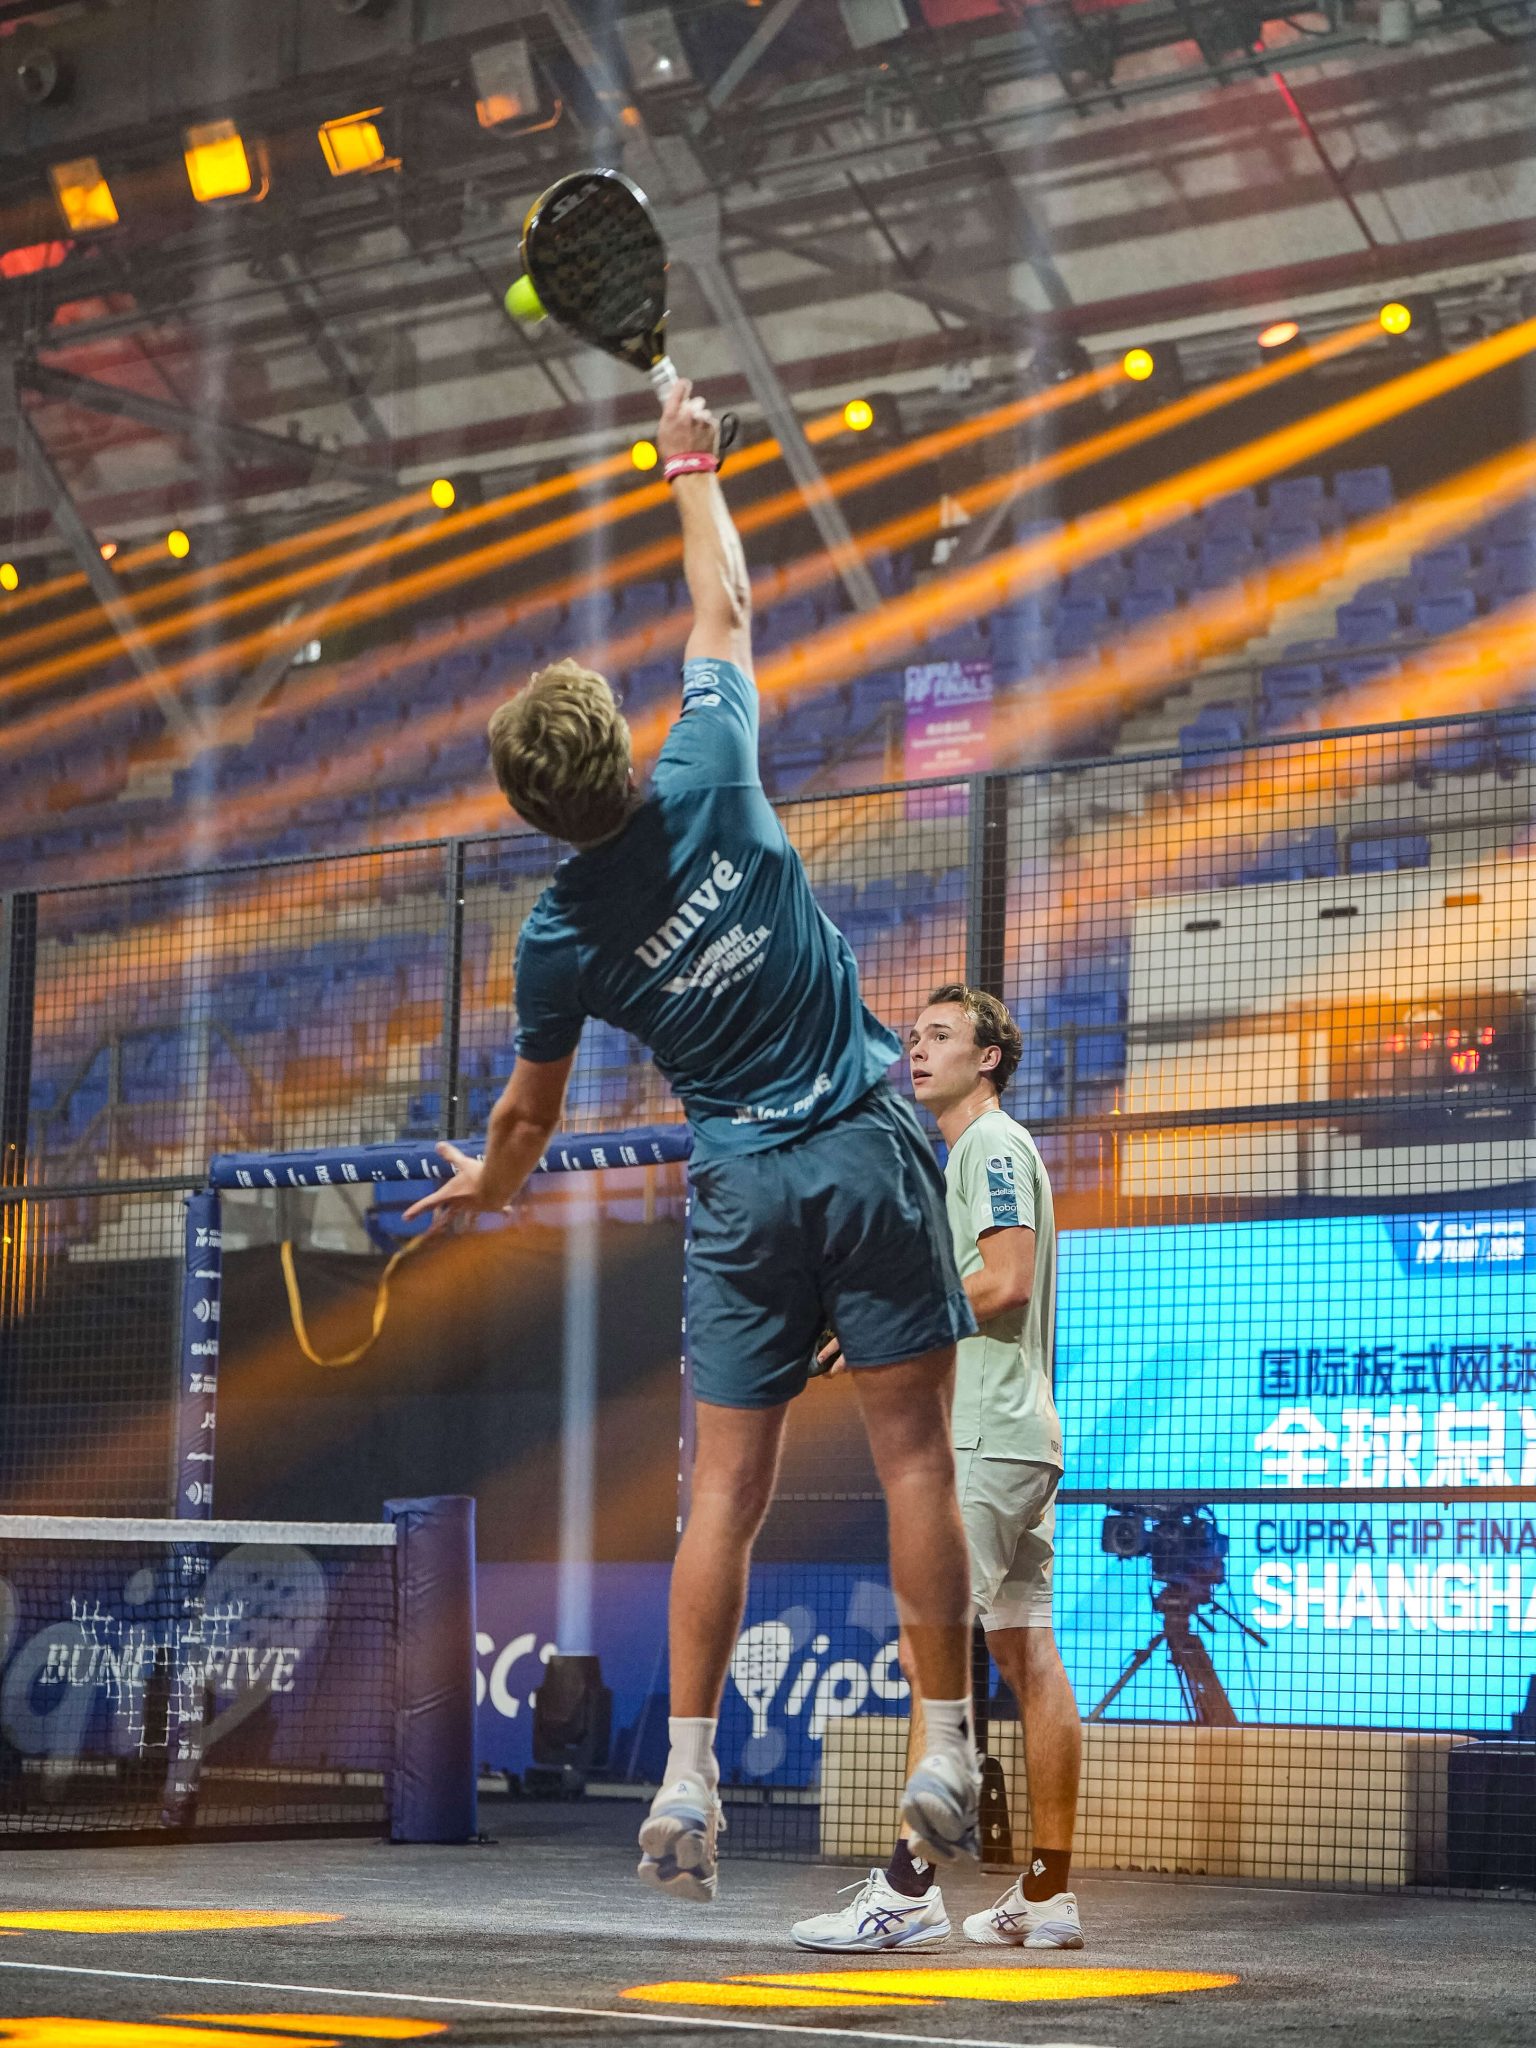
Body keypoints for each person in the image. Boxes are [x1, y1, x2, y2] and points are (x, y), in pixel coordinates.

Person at [404, 381, 981, 1902]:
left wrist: (491, 1184)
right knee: (914, 1453)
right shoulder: (709, 764)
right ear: (619, 742)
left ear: (531, 810)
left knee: (722, 1489)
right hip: (861, 1146)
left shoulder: (556, 936)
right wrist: (690, 458)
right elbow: (723, 599)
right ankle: (941, 1748)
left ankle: (682, 1779)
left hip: (738, 1189)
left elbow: (526, 1117)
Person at [790, 983, 1083, 1953]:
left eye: (942, 1036)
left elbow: (1006, 1280)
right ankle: (1046, 1894)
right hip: (1019, 1433)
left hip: (987, 1438)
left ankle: (908, 1890)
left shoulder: (989, 1145)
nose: (916, 1049)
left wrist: (892, 1318)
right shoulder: (973, 1151)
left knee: (932, 1651)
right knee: (1027, 1655)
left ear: (989, 1058)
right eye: (913, 1036)